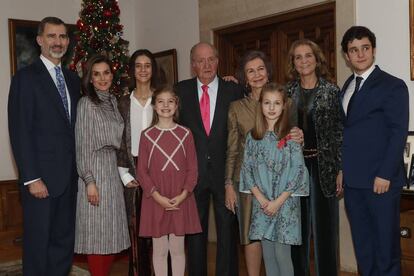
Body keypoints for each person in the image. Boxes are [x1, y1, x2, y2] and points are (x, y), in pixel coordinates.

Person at [8, 16, 80, 275]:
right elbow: (20, 131)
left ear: (68, 41)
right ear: (40, 40)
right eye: (51, 36)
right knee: (38, 247)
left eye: (62, 37)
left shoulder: (73, 80)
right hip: (40, 182)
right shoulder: (25, 79)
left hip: (69, 180)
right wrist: (31, 178)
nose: (57, 42)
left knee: (63, 246)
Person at [339, 26, 409, 276]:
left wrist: (385, 174)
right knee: (364, 246)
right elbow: (347, 133)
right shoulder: (346, 86)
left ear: (374, 50)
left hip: (381, 181)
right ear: (347, 56)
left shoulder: (393, 85)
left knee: (385, 248)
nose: (360, 54)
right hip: (353, 182)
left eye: (365, 48)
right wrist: (341, 170)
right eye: (353, 50)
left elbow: (398, 132)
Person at [175, 42, 243, 276]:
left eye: (211, 59)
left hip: (226, 175)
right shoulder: (179, 91)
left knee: (227, 232)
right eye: (200, 60)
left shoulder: (234, 90)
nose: (207, 65)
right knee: (195, 233)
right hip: (192, 175)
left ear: (218, 61)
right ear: (192, 64)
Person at [285, 39, 343, 276]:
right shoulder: (286, 91)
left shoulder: (331, 91)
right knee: (296, 231)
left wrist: (341, 168)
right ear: (293, 63)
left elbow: (340, 132)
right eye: (298, 57)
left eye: (308, 55)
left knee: (325, 231)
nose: (304, 61)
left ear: (317, 59)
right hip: (294, 169)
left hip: (324, 168)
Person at [239, 82, 309, 276]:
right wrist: (261, 199)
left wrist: (278, 202)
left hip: (285, 204)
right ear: (260, 105)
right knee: (268, 255)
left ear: (284, 105)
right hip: (262, 204)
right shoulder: (253, 137)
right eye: (267, 103)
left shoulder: (291, 136)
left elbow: (298, 172)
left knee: (282, 254)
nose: (271, 108)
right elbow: (247, 170)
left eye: (276, 103)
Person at [75, 54, 130, 276]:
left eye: (106, 72)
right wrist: (89, 181)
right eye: (96, 74)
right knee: (96, 236)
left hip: (111, 171)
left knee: (109, 236)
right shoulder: (86, 103)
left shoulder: (114, 101)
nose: (102, 78)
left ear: (112, 74)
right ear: (89, 78)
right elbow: (82, 145)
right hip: (94, 171)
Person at [137, 86, 201, 276]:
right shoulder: (147, 135)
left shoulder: (186, 133)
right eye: (160, 102)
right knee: (159, 250)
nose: (165, 105)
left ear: (176, 105)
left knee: (178, 249)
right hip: (156, 198)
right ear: (154, 107)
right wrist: (157, 196)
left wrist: (183, 194)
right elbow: (142, 172)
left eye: (170, 101)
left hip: (180, 197)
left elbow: (193, 169)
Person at [117, 49, 158, 276]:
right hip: (131, 169)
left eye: (147, 65)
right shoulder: (122, 103)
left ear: (153, 69)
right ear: (132, 70)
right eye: (138, 65)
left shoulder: (162, 98)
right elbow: (118, 141)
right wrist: (124, 175)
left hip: (159, 170)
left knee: (159, 232)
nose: (143, 70)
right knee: (136, 229)